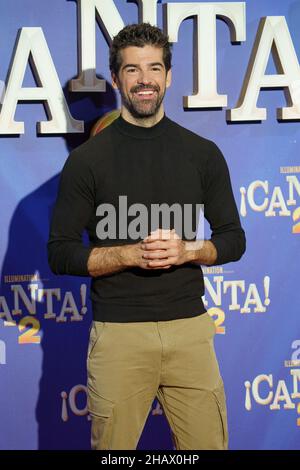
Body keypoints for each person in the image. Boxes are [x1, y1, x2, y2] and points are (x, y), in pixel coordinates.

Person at [48, 22, 246, 450]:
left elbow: (234, 238)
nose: (144, 80)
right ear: (118, 78)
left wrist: (190, 250)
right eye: (132, 70)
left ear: (168, 76)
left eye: (154, 68)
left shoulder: (202, 154)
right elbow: (60, 254)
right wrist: (128, 255)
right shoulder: (87, 162)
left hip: (191, 331)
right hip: (119, 335)